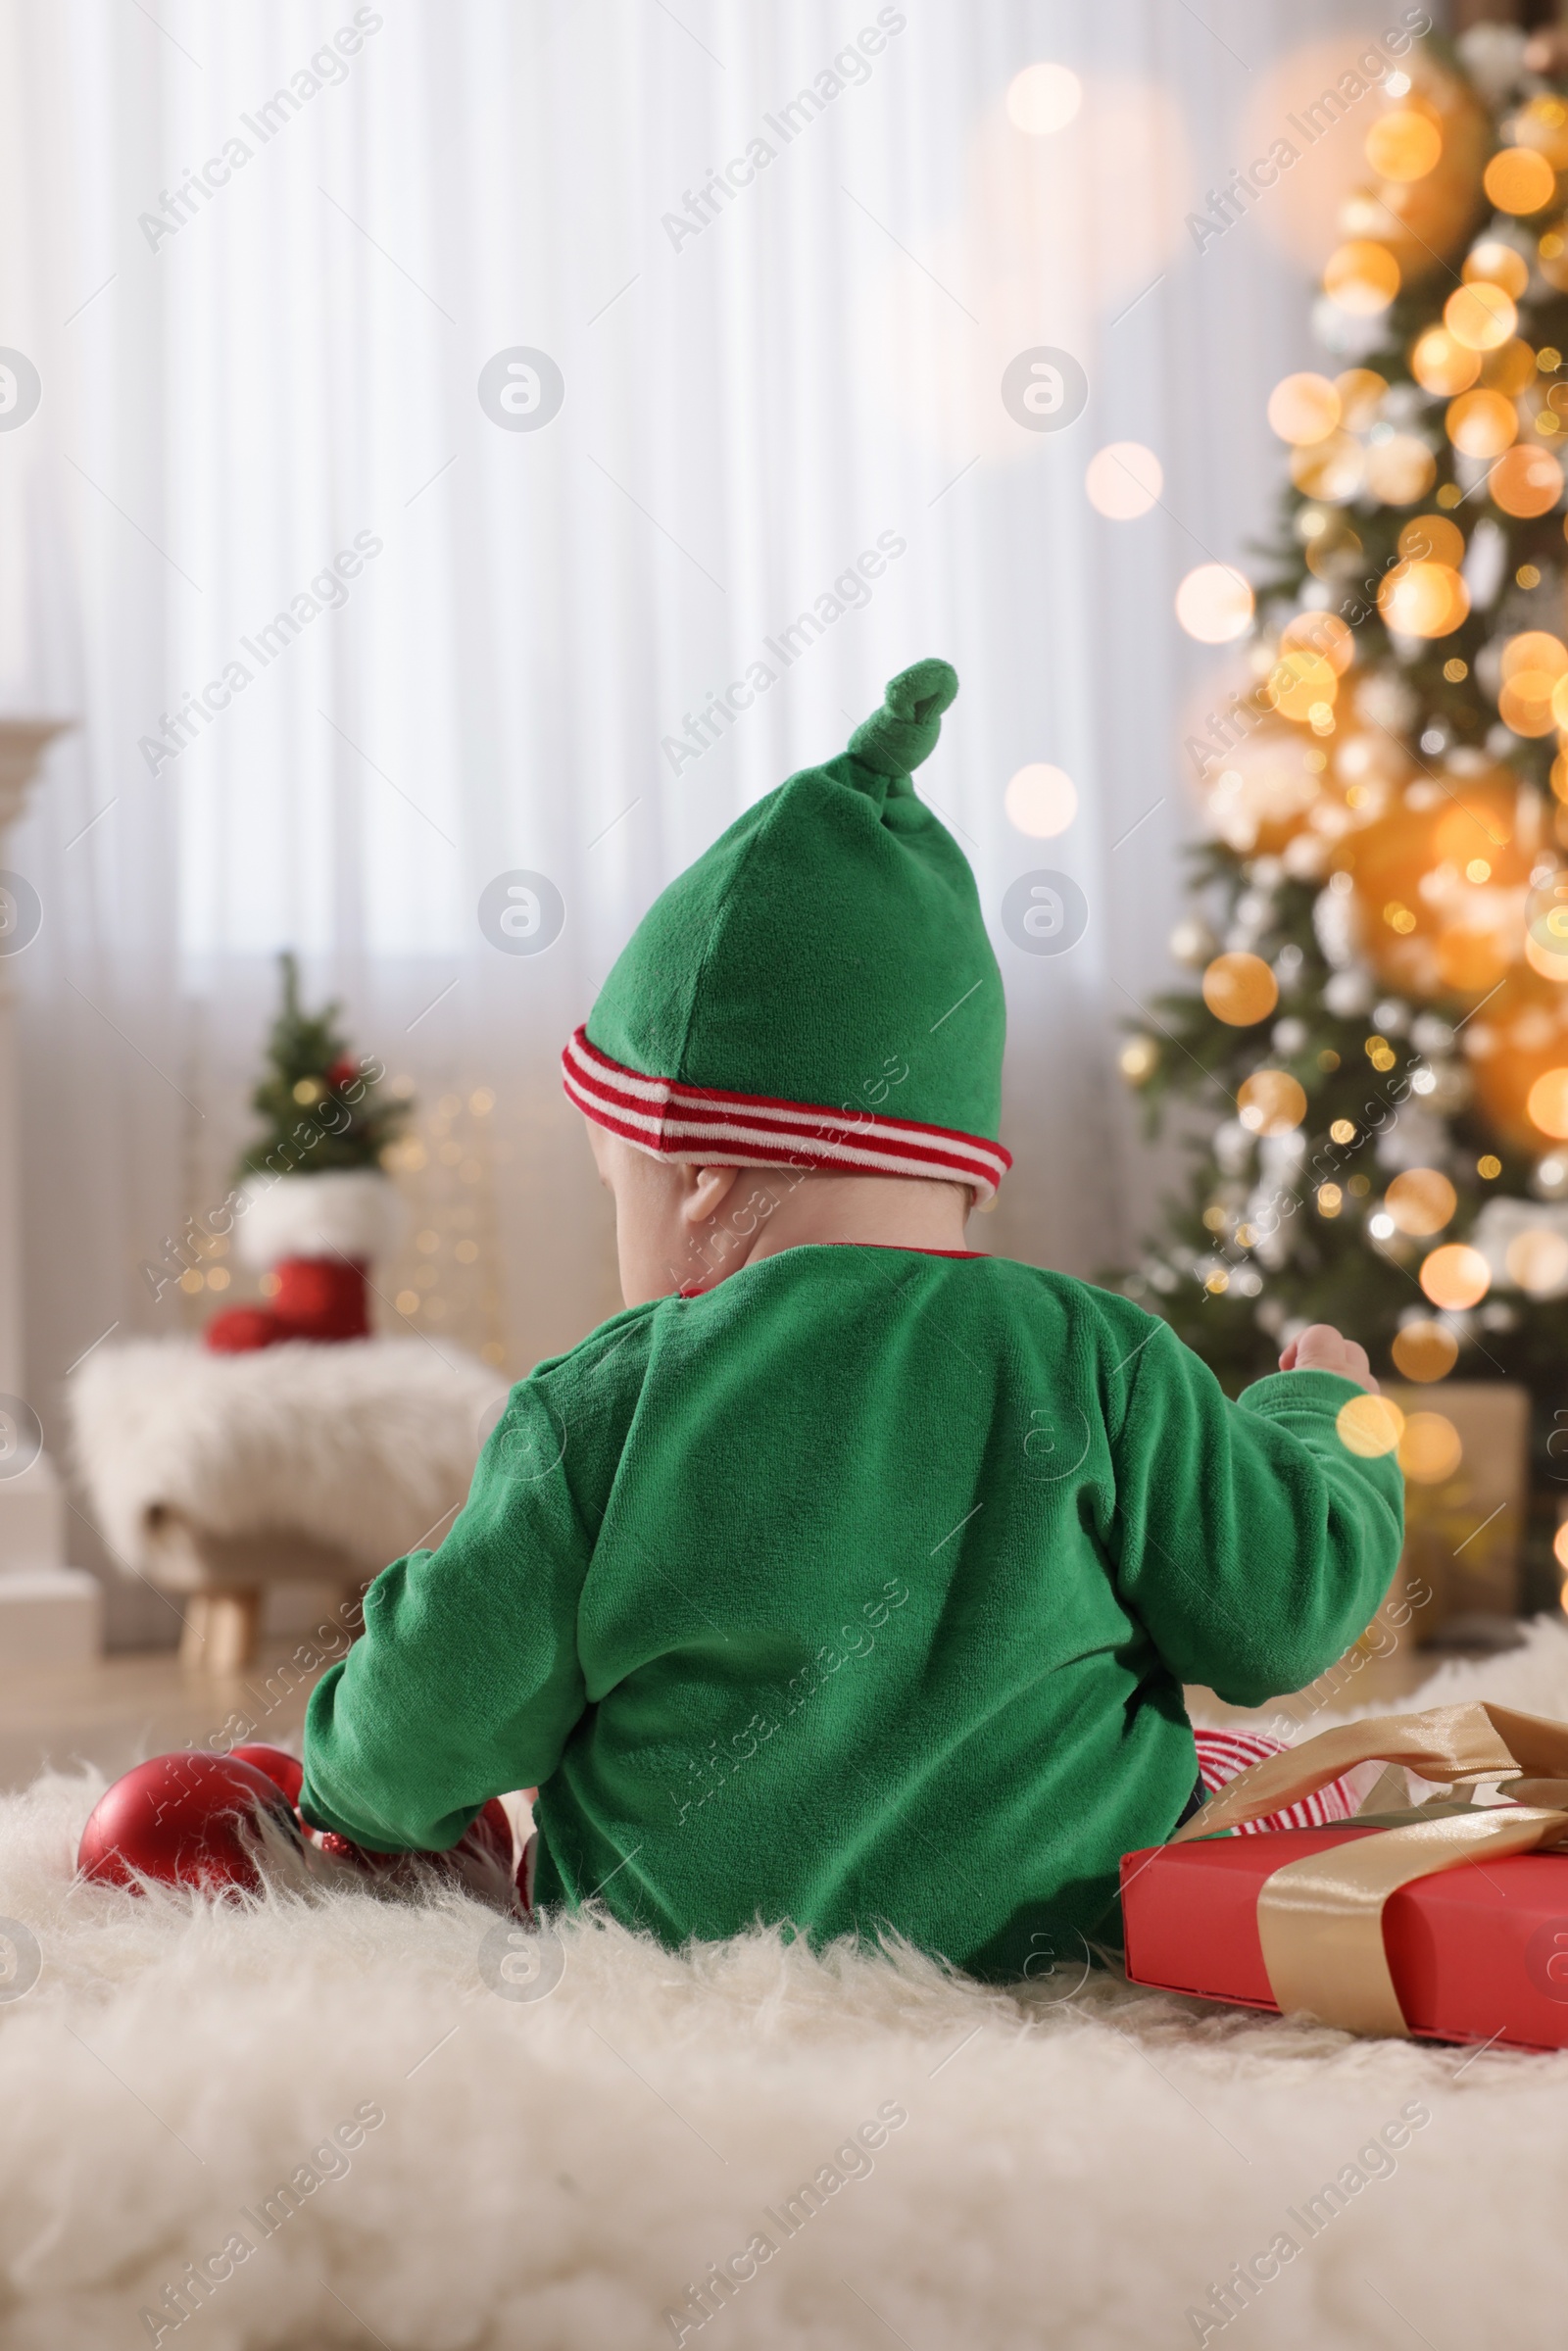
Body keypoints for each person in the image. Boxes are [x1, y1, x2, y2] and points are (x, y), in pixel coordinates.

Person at [299, 660, 1403, 1979]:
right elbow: (1275, 1615)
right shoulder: (1095, 1358)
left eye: (618, 1186)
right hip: (1060, 1949)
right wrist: (1324, 1419)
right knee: (1260, 1776)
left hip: (671, 1968)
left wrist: (346, 1797)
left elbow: (428, 1709)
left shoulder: (602, 1406)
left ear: (700, 1183)